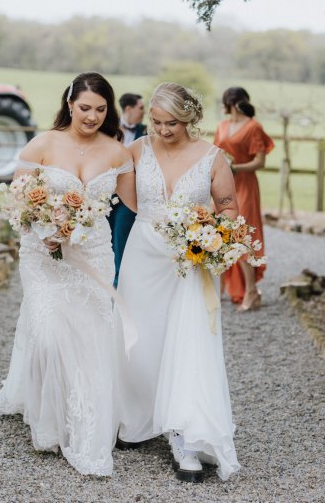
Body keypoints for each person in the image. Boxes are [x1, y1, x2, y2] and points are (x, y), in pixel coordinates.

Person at [0, 72, 136, 477]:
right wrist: (43, 231)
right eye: (85, 107)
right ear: (70, 103)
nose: (92, 116)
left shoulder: (118, 152)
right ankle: (50, 420)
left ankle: (86, 422)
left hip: (92, 256)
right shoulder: (43, 143)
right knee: (51, 334)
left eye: (101, 109)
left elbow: (136, 205)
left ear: (109, 111)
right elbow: (17, 204)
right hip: (42, 257)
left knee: (90, 337)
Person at [115, 82, 241, 483]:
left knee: (185, 339)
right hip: (142, 252)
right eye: (155, 122)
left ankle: (184, 431)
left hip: (189, 258)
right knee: (139, 334)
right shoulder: (136, 150)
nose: (162, 130)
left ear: (189, 119)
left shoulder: (213, 158)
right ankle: (136, 419)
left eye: (171, 123)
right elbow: (126, 198)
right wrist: (157, 220)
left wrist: (209, 236)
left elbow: (227, 208)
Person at [214, 87, 274, 311]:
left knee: (242, 236)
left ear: (232, 102)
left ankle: (251, 291)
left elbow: (260, 162)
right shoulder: (222, 126)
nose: (223, 107)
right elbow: (215, 153)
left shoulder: (253, 126)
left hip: (246, 185)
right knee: (221, 234)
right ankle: (219, 288)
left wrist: (236, 167)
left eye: (224, 103)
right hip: (223, 185)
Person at [108, 92, 146, 286]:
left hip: (130, 193)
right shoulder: (108, 129)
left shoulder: (146, 133)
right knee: (106, 234)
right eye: (141, 108)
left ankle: (119, 278)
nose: (144, 112)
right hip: (106, 191)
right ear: (129, 109)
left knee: (122, 231)